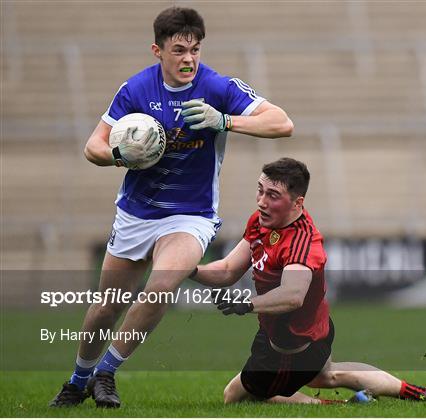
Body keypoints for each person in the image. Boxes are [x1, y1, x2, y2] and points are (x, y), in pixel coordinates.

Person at [49, 7, 293, 409]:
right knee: (105, 308)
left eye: (195, 49)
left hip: (190, 215)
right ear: (157, 51)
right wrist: (120, 153)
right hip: (136, 213)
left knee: (162, 285)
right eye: (179, 49)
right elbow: (93, 147)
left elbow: (282, 123)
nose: (189, 59)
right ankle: (78, 381)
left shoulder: (216, 87)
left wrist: (225, 121)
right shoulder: (135, 90)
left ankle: (106, 373)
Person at [192, 157, 426, 405]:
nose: (262, 201)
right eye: (260, 190)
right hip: (312, 331)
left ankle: (334, 406)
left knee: (236, 396)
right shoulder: (262, 221)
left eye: (273, 195)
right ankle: (425, 394)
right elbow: (227, 270)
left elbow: (292, 294)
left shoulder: (302, 242)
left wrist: (247, 304)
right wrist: (187, 269)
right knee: (328, 376)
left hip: (290, 347)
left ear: (298, 203)